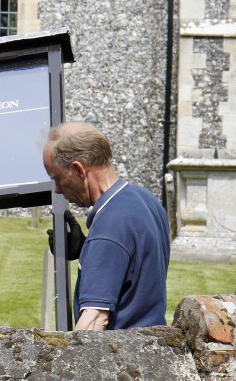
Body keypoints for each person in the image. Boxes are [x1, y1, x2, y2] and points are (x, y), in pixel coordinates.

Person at [42, 122, 170, 330]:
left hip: (121, 355)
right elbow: (136, 269)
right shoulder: (145, 199)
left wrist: (64, 359)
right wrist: (87, 250)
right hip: (151, 344)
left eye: (57, 178)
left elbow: (95, 320)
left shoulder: (110, 224)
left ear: (78, 169)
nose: (57, 190)